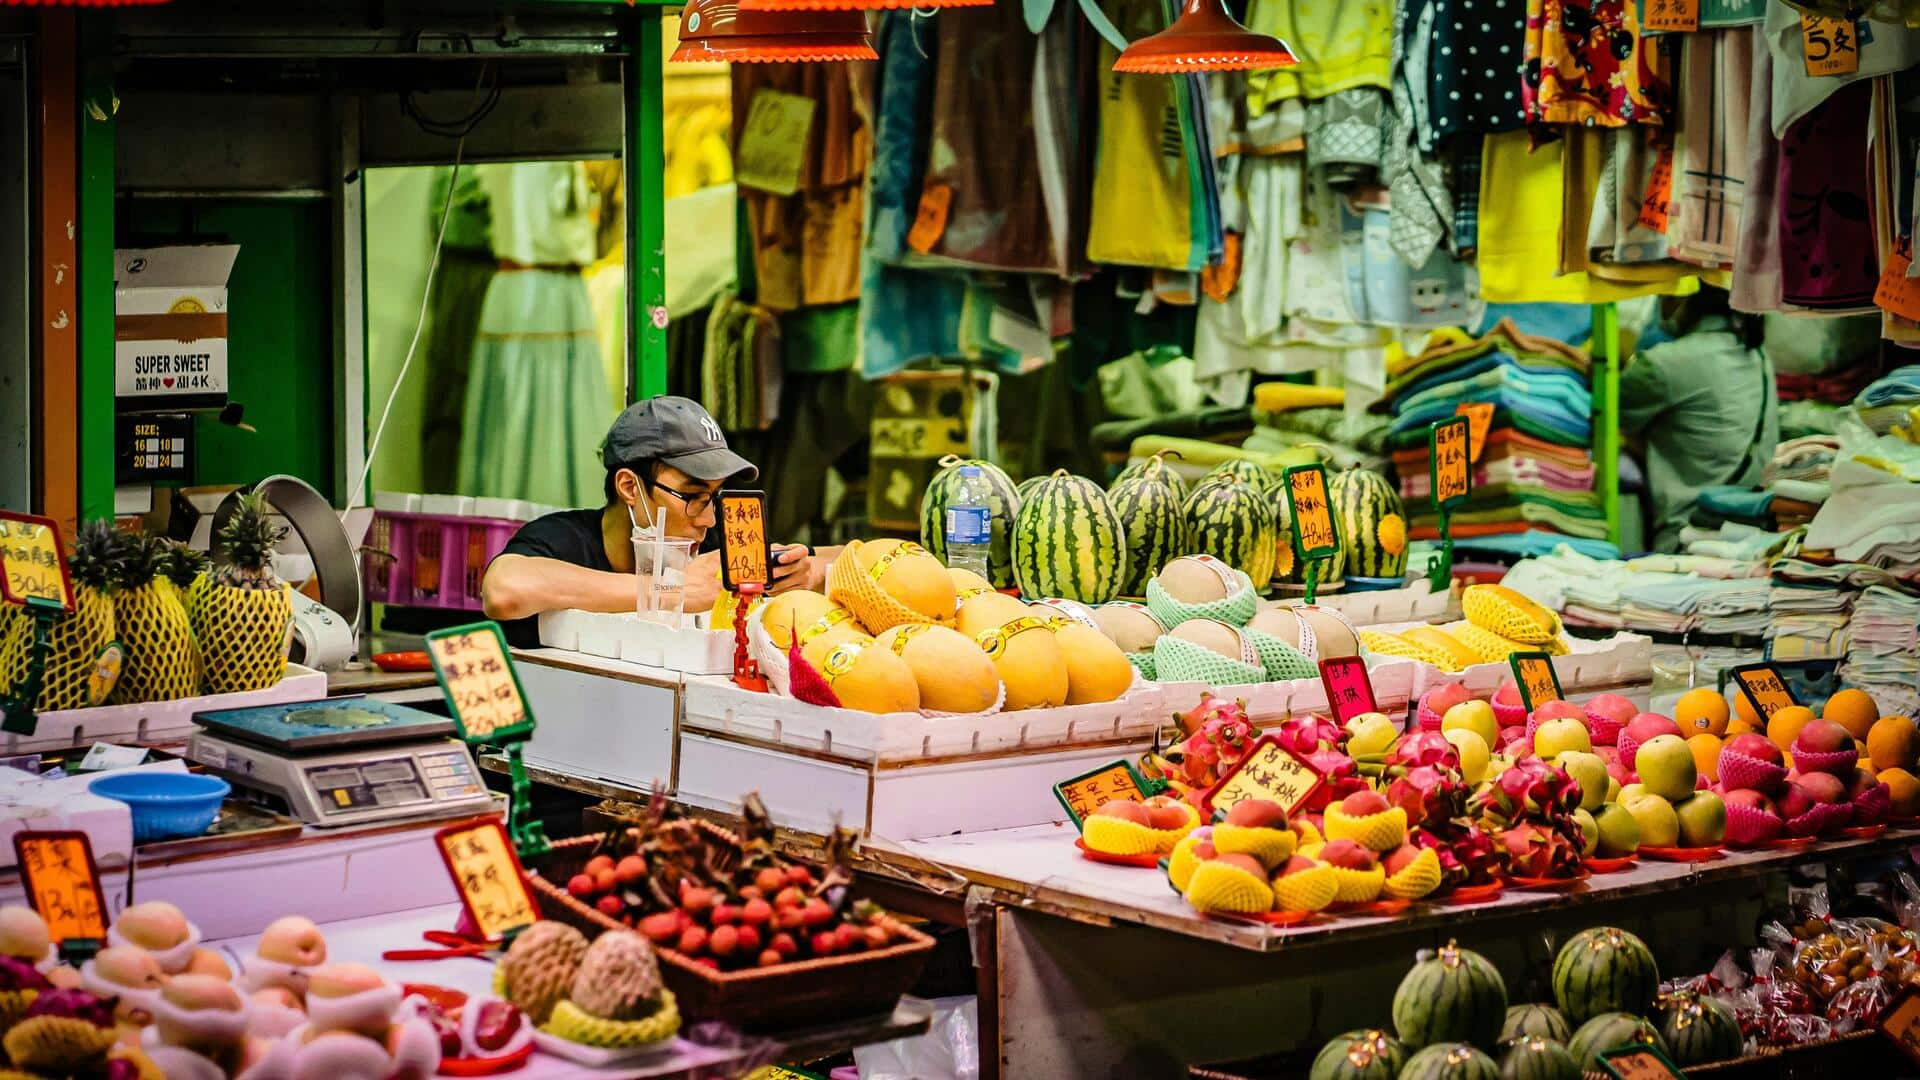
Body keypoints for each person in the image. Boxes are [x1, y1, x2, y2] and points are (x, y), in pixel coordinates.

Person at [482, 396, 835, 647]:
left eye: (714, 496)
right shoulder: (563, 540)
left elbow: (845, 556)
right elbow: (503, 591)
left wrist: (809, 571)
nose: (710, 518)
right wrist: (671, 590)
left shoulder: (710, 541)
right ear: (628, 487)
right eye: (692, 496)